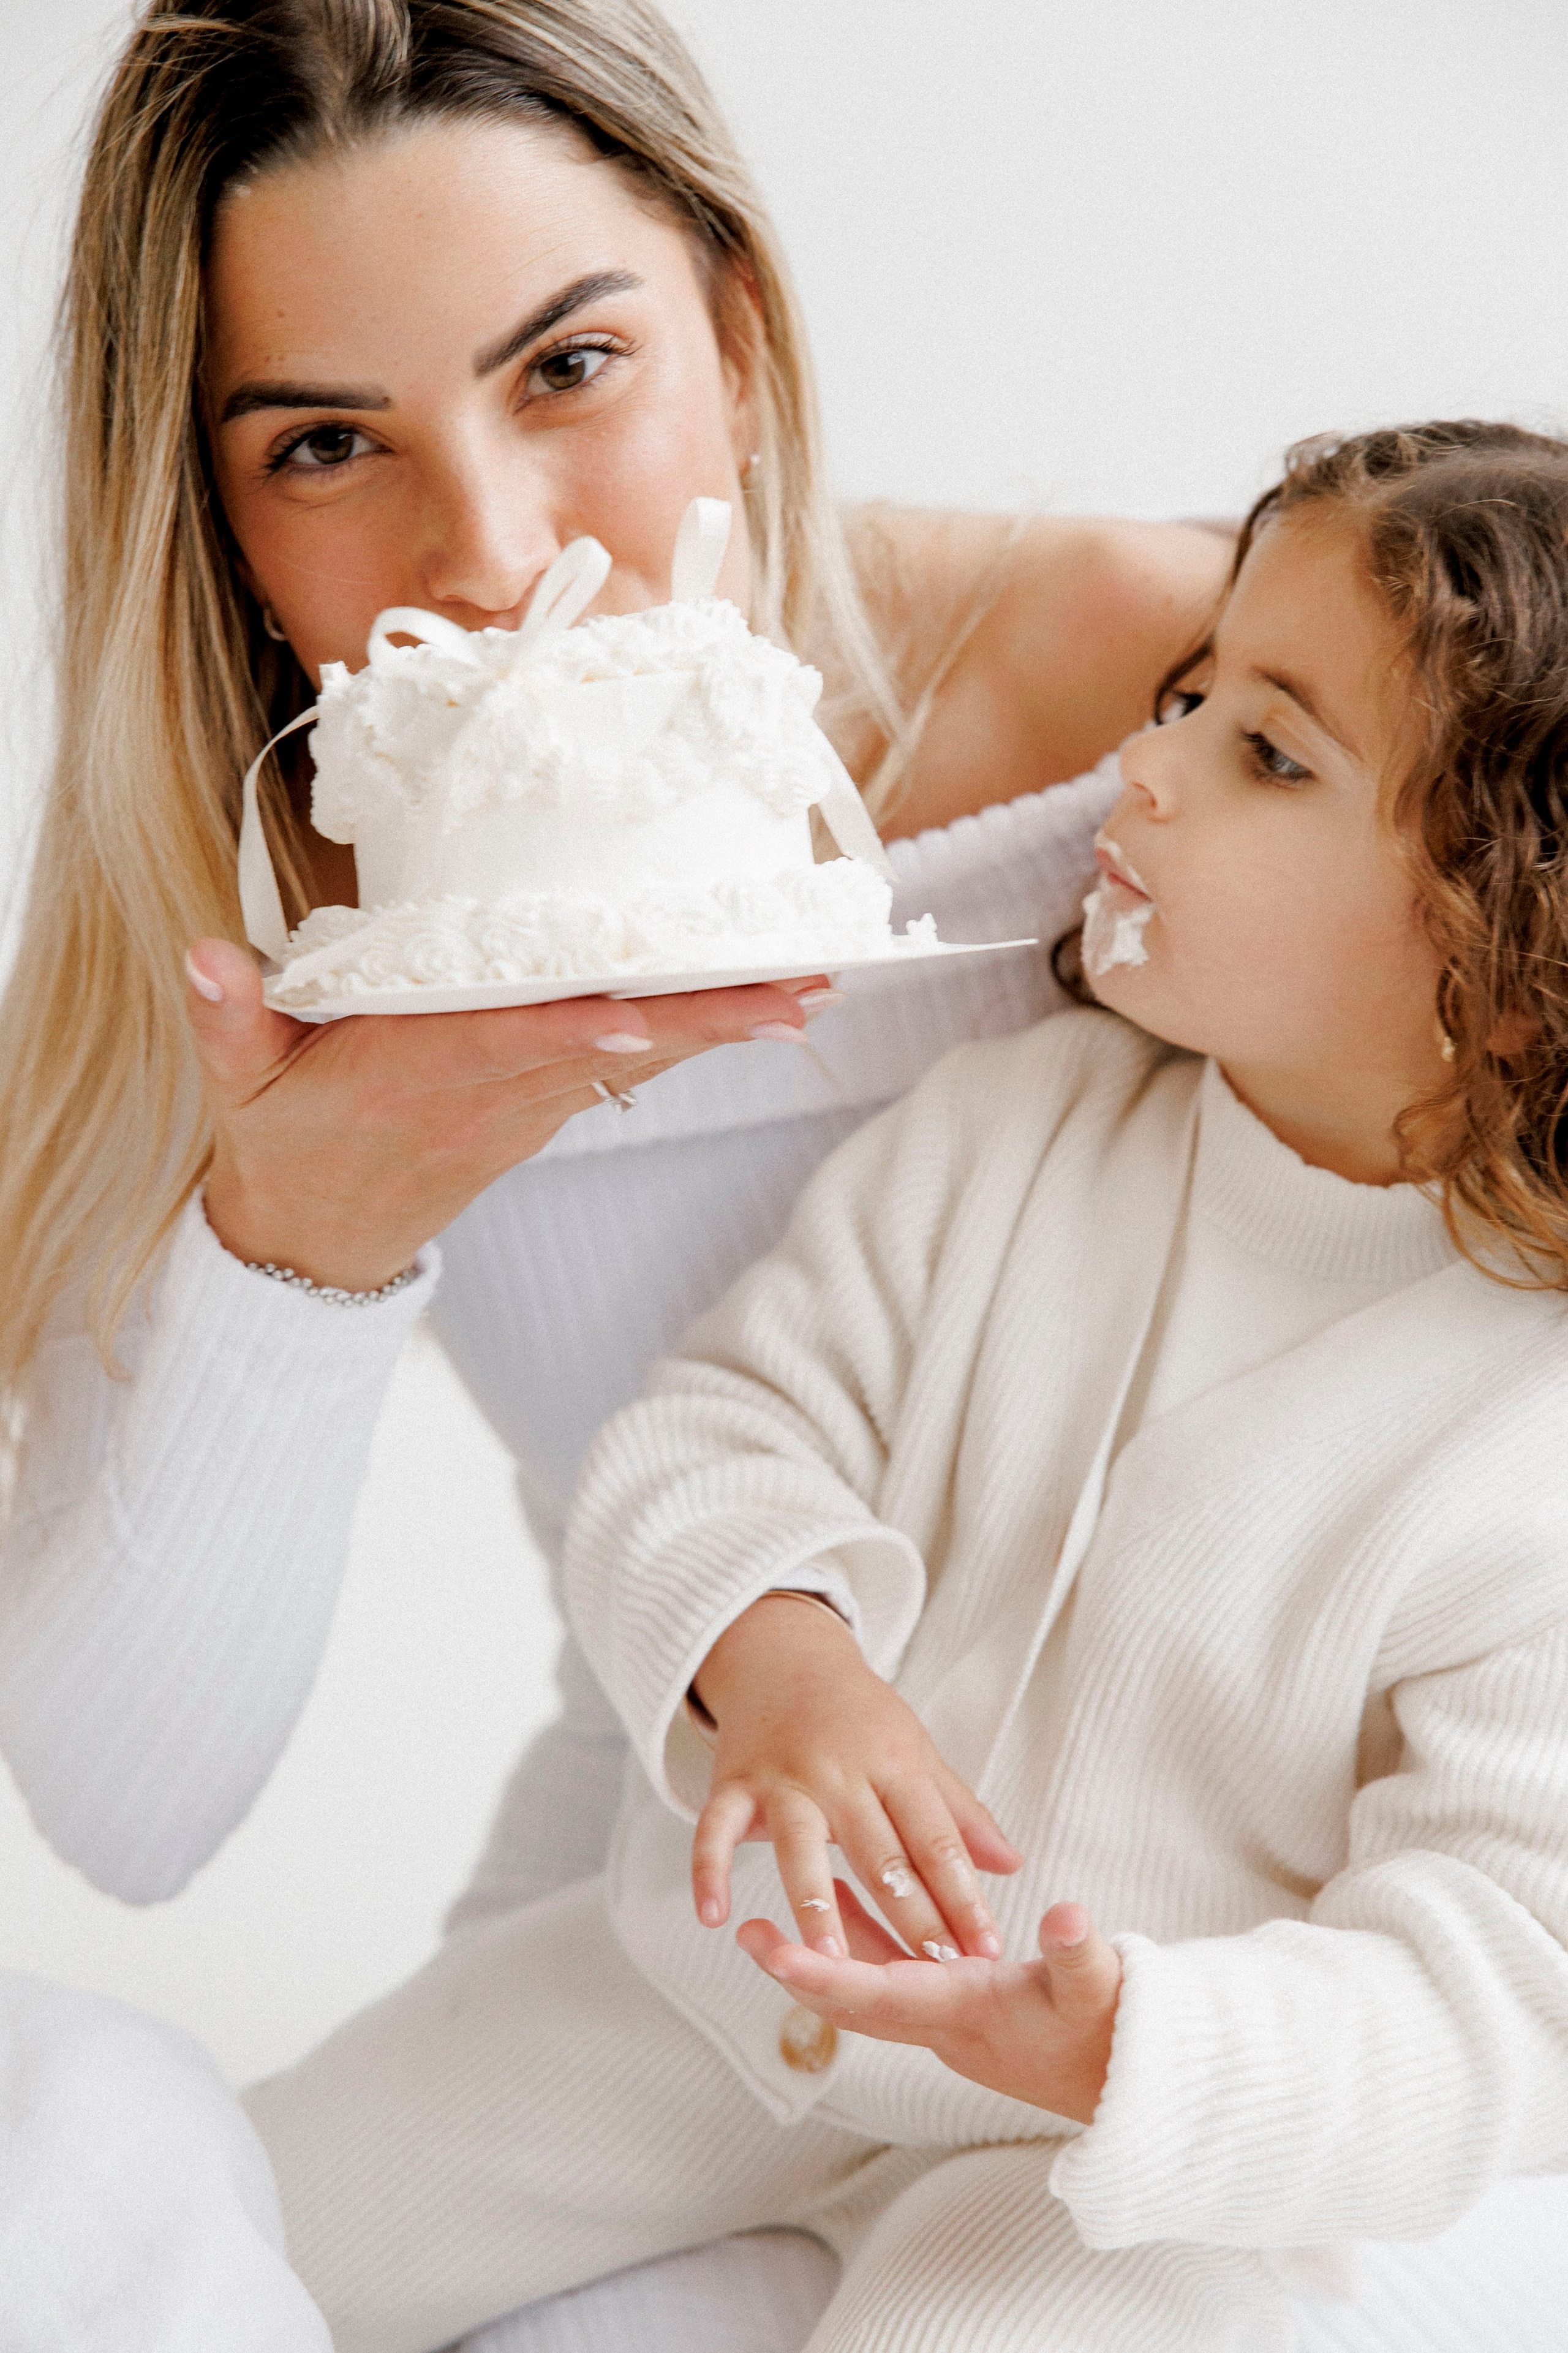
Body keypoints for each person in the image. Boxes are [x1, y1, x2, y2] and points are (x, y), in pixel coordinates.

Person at [0, 0, 1225, 2339]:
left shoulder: (1182, 692)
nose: (490, 549)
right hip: (677, 1964)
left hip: (1197, 1978)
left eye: (570, 371)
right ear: (216, 519)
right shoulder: (246, 933)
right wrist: (314, 1237)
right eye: (330, 443)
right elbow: (130, 1817)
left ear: (738, 333)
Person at [247, 421, 1568, 2353]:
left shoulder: (1523, 1444)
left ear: (1513, 949)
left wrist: (1143, 2044)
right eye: (1186, 695)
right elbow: (712, 1435)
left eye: (1269, 752)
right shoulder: (1011, 1126)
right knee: (248, 2215)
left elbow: (1504, 1985)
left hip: (1099, 2174)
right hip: (706, 1997)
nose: (1145, 764)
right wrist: (781, 1657)